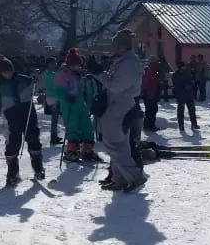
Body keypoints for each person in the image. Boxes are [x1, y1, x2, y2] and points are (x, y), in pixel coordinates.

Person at [95, 30, 146, 192]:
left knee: (113, 143)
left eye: (115, 43)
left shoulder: (129, 63)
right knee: (119, 144)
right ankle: (120, 179)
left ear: (122, 45)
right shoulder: (124, 61)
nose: (112, 47)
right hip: (119, 103)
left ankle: (135, 176)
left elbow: (116, 86)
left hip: (120, 104)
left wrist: (99, 74)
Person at [0, 58, 44, 184]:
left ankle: (38, 168)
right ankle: (13, 173)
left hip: (27, 112)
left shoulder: (24, 79)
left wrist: (38, 79)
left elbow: (40, 85)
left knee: (33, 138)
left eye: (8, 70)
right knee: (12, 142)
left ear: (12, 69)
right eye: (4, 72)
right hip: (10, 115)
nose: (7, 74)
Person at [54, 47, 99, 161]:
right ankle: (72, 151)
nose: (80, 67)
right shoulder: (62, 73)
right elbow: (58, 91)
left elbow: (80, 88)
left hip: (80, 103)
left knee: (87, 126)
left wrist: (86, 82)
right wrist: (66, 96)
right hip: (69, 105)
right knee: (72, 127)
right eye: (78, 65)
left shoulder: (77, 74)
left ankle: (87, 150)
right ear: (71, 64)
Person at [172, 60, 199, 131]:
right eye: (183, 66)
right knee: (181, 111)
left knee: (192, 110)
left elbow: (192, 81)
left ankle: (194, 124)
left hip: (189, 94)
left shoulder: (188, 73)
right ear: (180, 67)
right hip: (180, 95)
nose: (184, 68)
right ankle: (181, 126)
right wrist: (184, 86)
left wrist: (190, 85)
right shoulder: (175, 75)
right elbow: (175, 85)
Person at [141, 57, 159, 130]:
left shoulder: (152, 70)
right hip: (149, 93)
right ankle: (150, 125)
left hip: (150, 92)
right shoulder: (149, 70)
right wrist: (150, 92)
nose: (157, 63)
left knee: (151, 109)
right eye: (156, 62)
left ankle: (148, 125)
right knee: (151, 109)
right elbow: (146, 83)